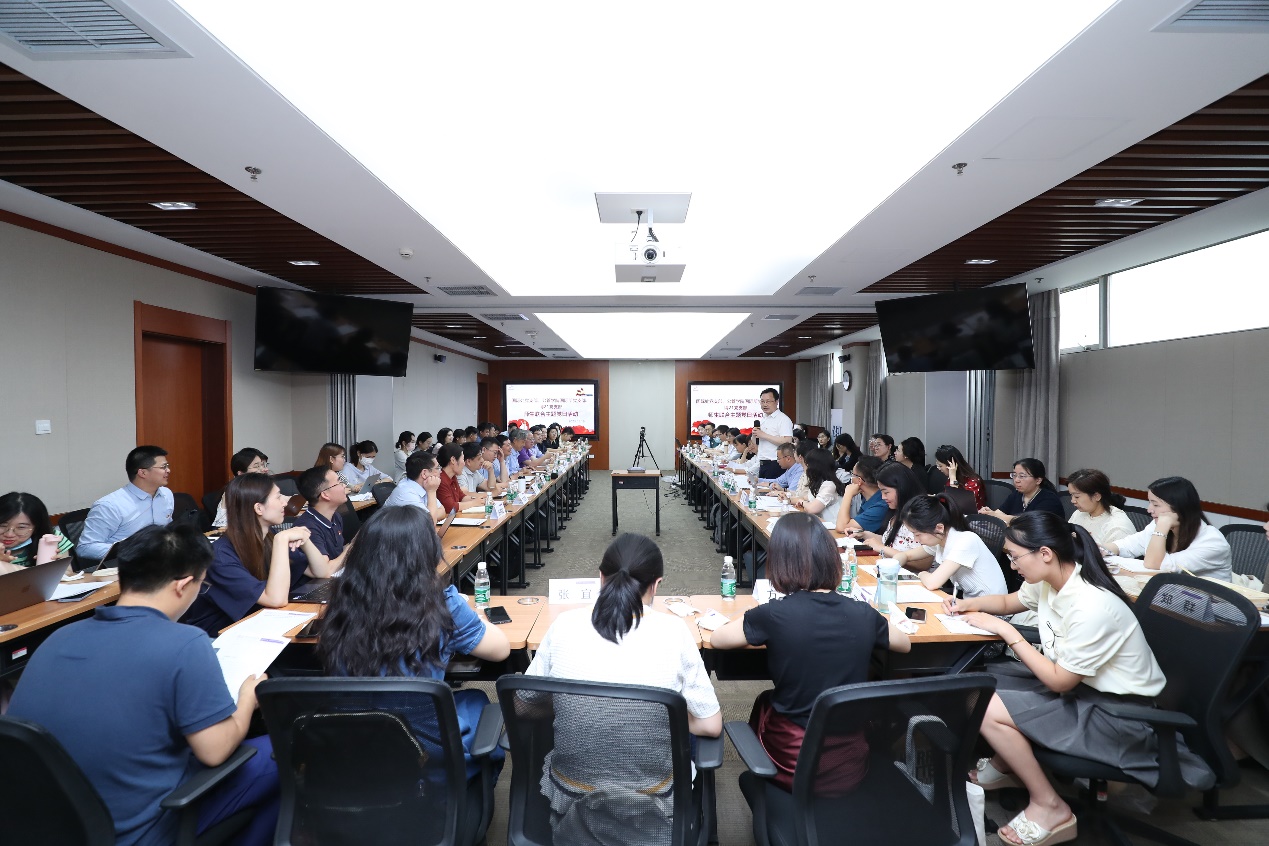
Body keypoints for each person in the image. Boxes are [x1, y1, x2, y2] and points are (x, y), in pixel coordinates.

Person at [945, 512, 1213, 846]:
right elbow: (1006, 601)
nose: (1012, 566)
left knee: (986, 704)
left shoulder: (1092, 606)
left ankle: (1049, 804)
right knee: (978, 685)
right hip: (1084, 693)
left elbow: (1059, 682)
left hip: (1119, 714)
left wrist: (1008, 632)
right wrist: (966, 605)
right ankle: (1008, 766)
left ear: (1045, 553)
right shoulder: (1050, 581)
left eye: (1014, 557)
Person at [9, 524, 280, 846]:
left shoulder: (58, 638)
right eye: (202, 585)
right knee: (282, 750)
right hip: (139, 830)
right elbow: (215, 751)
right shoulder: (185, 642)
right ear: (183, 585)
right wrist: (247, 697)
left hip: (46, 827)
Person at [524, 533, 722, 834]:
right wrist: (661, 713)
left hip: (572, 798)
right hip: (652, 805)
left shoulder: (564, 624)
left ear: (600, 578)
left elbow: (523, 704)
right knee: (688, 730)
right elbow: (710, 725)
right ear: (656, 584)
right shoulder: (674, 631)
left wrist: (572, 703)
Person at [712, 513, 911, 791]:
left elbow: (718, 639)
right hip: (848, 765)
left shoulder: (774, 614)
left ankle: (764, 772)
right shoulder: (862, 613)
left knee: (766, 702)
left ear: (780, 562)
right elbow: (904, 644)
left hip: (792, 761)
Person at [319, 506, 510, 781]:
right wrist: (476, 619)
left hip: (356, 743)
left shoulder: (342, 601)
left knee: (473, 699)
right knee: (477, 701)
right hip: (427, 750)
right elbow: (501, 650)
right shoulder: (442, 603)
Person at [180, 474, 336, 636]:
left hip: (259, 622)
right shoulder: (221, 557)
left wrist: (305, 539)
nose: (285, 502)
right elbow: (276, 599)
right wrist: (281, 541)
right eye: (278, 497)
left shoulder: (268, 535)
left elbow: (321, 572)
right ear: (259, 508)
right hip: (223, 635)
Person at [1103, 476, 1232, 580]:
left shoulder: (1212, 542)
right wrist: (1098, 550)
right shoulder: (1159, 525)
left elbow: (1154, 565)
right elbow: (1127, 545)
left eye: (1156, 505)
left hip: (1210, 602)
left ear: (1179, 508)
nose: (1149, 509)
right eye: (1149, 503)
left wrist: (1162, 527)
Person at [900, 494, 1007, 597]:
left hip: (991, 606)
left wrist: (921, 574)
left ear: (939, 528)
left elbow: (932, 583)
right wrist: (892, 568)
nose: (916, 539)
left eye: (917, 534)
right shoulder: (939, 539)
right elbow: (905, 555)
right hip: (969, 603)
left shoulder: (965, 541)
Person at [79, 445, 174, 560]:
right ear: (142, 473)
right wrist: (133, 551)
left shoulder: (166, 494)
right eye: (163, 467)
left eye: (167, 466)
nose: (168, 470)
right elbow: (85, 547)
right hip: (128, 565)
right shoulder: (109, 506)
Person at [851, 462, 931, 564]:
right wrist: (864, 534)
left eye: (886, 492)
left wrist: (882, 548)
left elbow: (923, 564)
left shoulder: (922, 514)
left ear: (902, 488)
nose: (883, 497)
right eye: (881, 492)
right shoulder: (896, 510)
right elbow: (893, 542)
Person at [292, 466, 352, 572]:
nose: (344, 485)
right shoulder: (307, 527)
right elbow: (326, 570)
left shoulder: (335, 516)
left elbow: (338, 554)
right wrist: (351, 548)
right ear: (325, 495)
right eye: (339, 483)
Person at [0, 491, 74, 574]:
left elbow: (69, 573)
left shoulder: (52, 538)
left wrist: (57, 568)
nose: (9, 534)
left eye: (21, 527)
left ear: (36, 527)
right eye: (2, 525)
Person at [980, 458, 1065, 524]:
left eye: (1022, 476)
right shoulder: (1016, 494)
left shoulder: (1049, 499)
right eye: (1014, 475)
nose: (1016, 480)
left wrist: (995, 515)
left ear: (1038, 480)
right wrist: (990, 513)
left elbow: (1029, 523)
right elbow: (1000, 513)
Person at [1065, 469, 1136, 546]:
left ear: (1097, 496)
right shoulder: (1079, 513)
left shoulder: (1117, 527)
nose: (1072, 501)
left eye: (1076, 496)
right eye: (1071, 495)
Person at [212, 448, 270, 529]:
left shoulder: (267, 486)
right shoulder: (233, 492)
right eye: (257, 466)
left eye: (263, 465)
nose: (265, 469)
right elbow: (221, 526)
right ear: (241, 473)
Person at [383, 450, 447, 522]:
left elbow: (442, 511)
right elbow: (429, 523)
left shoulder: (424, 486)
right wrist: (432, 492)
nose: (440, 471)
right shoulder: (406, 493)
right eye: (437, 468)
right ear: (424, 473)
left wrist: (431, 514)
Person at [835, 455, 887, 533]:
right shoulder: (869, 497)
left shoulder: (881, 505)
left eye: (852, 474)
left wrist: (847, 494)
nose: (851, 477)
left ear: (859, 480)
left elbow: (841, 527)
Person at [788, 448, 845, 518]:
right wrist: (787, 500)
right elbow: (804, 498)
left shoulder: (829, 485)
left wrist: (802, 502)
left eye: (808, 465)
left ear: (815, 467)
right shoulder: (818, 483)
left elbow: (812, 509)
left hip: (830, 523)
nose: (807, 468)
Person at [752, 387, 794, 479]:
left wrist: (764, 435)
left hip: (775, 463)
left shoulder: (783, 419)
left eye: (768, 401)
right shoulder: (763, 419)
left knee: (771, 487)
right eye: (762, 401)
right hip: (762, 462)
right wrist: (755, 434)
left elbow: (787, 441)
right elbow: (756, 443)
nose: (765, 404)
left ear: (776, 401)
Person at [935, 445, 987, 511]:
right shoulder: (952, 478)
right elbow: (946, 500)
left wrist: (953, 478)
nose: (939, 468)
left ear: (950, 465)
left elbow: (957, 505)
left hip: (971, 516)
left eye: (940, 466)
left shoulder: (973, 482)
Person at [437, 443, 483, 513]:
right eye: (463, 459)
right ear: (453, 460)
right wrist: (474, 503)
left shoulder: (453, 477)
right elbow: (451, 507)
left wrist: (481, 500)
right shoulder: (441, 480)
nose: (464, 463)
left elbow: (462, 497)